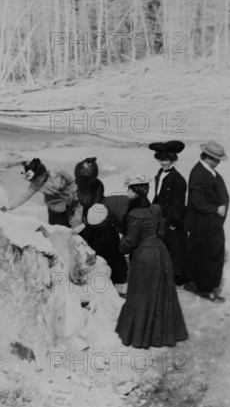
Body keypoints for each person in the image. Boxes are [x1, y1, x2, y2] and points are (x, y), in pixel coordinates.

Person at [115, 174, 188, 349]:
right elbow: (162, 232)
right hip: (161, 253)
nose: (127, 192)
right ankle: (162, 333)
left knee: (141, 294)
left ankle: (141, 335)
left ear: (134, 191)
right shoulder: (155, 209)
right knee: (161, 293)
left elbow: (130, 242)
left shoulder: (134, 214)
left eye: (129, 189)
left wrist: (121, 241)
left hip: (144, 256)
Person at [70, 158, 128, 288]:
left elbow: (95, 205)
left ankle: (117, 278)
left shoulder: (97, 185)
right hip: (88, 218)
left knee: (107, 247)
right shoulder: (77, 185)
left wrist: (86, 223)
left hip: (98, 218)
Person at [185, 141, 230, 302]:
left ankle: (205, 286)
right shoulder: (198, 173)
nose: (218, 162)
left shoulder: (209, 172)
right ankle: (204, 290)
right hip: (203, 224)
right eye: (217, 159)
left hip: (211, 223)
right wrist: (216, 209)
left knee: (210, 253)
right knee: (206, 256)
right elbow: (197, 202)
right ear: (208, 157)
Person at [149, 140, 188, 285]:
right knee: (165, 246)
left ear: (173, 159)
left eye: (166, 160)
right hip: (161, 216)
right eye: (161, 159)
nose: (163, 163)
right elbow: (158, 195)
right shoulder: (161, 174)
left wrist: (173, 222)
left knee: (176, 248)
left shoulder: (177, 179)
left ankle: (178, 277)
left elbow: (178, 204)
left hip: (172, 219)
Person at [1, 158, 75, 226]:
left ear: (42, 173)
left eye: (36, 179)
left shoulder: (55, 170)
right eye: (33, 180)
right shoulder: (34, 185)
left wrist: (76, 194)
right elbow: (23, 197)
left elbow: (72, 180)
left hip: (72, 201)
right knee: (60, 228)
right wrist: (8, 207)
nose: (34, 181)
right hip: (56, 210)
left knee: (76, 223)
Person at [72, 203, 128, 286]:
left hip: (94, 274)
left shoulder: (85, 232)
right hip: (112, 274)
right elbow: (117, 258)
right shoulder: (110, 233)